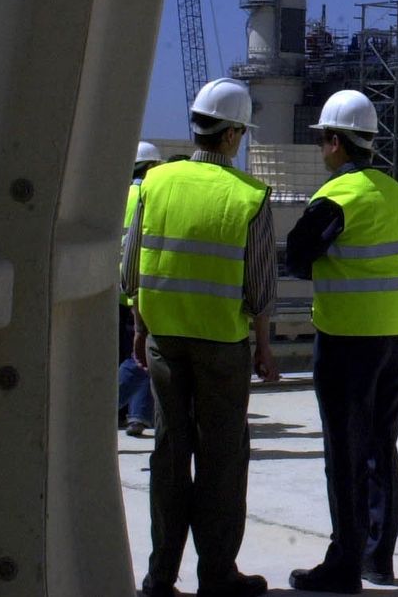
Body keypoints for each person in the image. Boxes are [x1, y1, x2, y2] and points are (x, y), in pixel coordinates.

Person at [120, 78, 280, 597]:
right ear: (231, 134)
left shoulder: (155, 183)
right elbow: (260, 289)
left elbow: (131, 271)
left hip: (165, 340)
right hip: (221, 346)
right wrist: (263, 346)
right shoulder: (248, 196)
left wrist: (140, 328)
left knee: (170, 454)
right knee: (222, 459)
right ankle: (217, 574)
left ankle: (160, 576)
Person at [286, 90, 398, 594]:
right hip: (394, 337)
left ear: (336, 142)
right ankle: (377, 558)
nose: (322, 149)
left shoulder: (337, 197)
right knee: (382, 448)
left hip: (346, 340)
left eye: (323, 140)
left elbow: (297, 256)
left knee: (344, 453)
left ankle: (343, 565)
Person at [119, 140, 163, 437]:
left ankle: (123, 412)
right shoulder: (150, 195)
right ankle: (137, 415)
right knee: (142, 354)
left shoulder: (119, 195)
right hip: (139, 287)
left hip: (114, 287)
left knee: (124, 352)